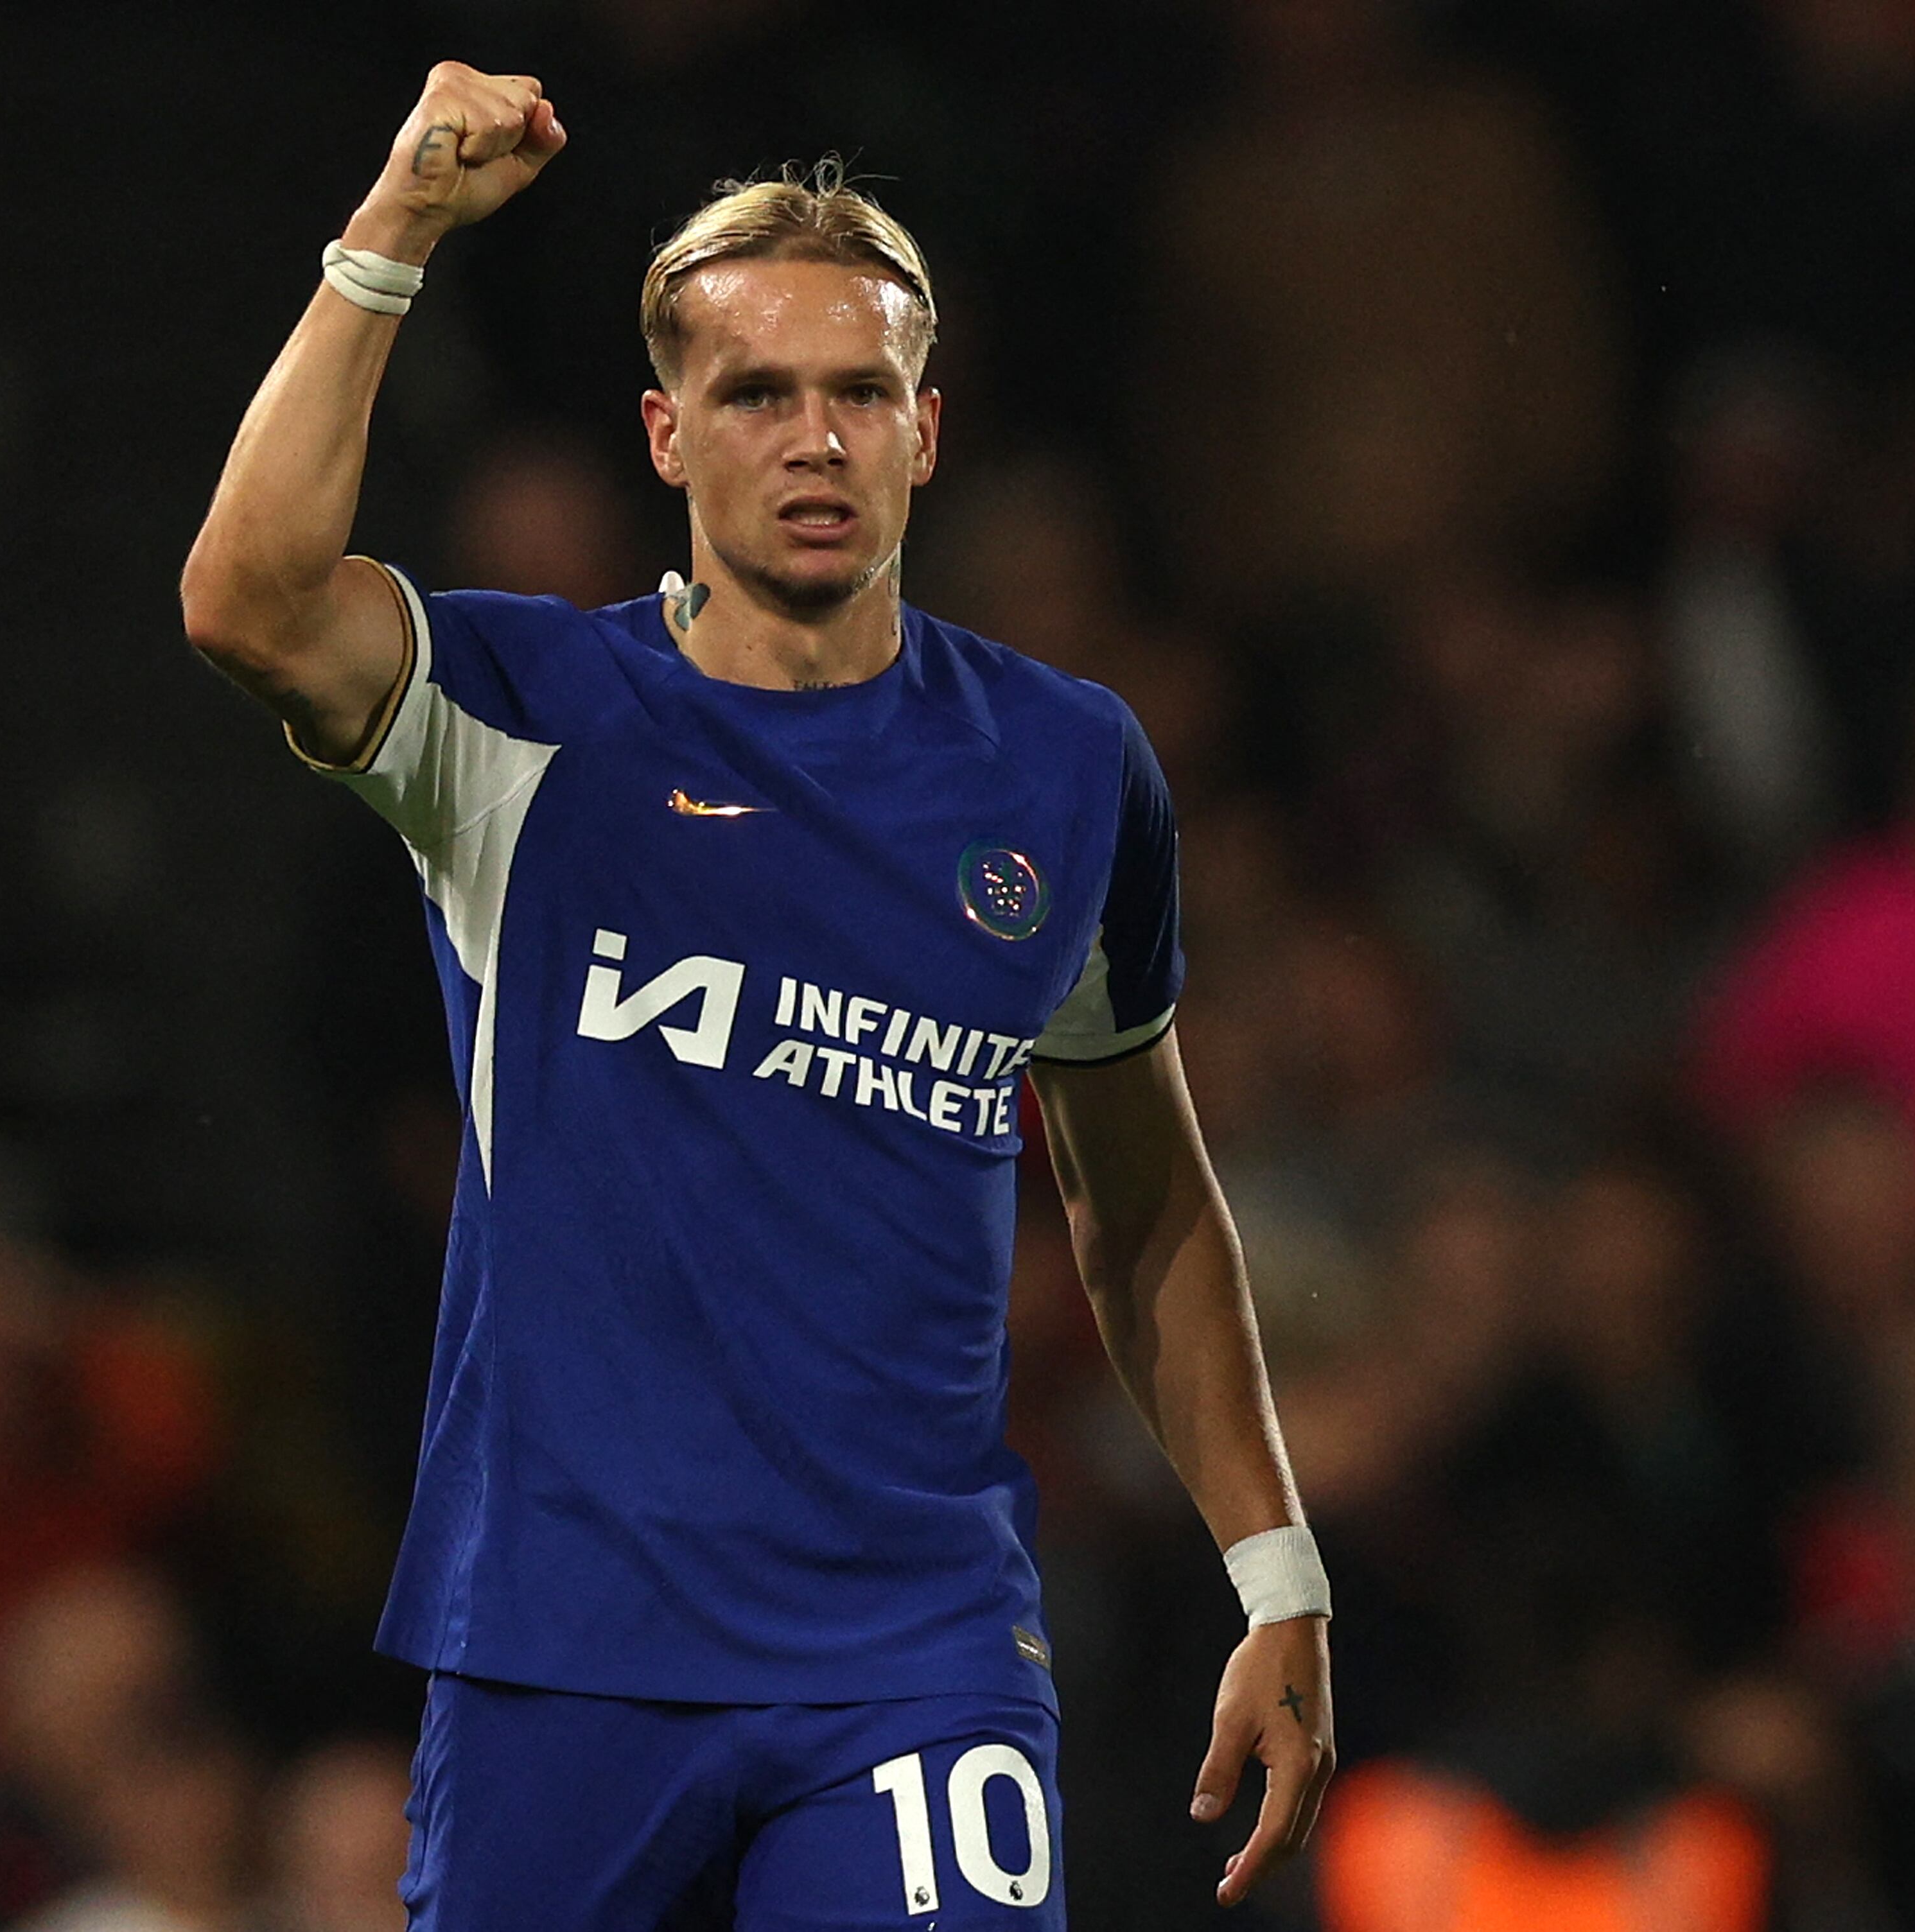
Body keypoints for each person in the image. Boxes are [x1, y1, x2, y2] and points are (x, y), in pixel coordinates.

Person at [179, 62, 1334, 1929]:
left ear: (927, 431)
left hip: (917, 1650)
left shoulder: (1064, 770)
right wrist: (393, 232)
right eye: (758, 394)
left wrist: (1276, 1568)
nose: (816, 438)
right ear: (665, 433)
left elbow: (1146, 1202)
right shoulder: (522, 719)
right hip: (566, 1637)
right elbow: (245, 597)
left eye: (860, 392)